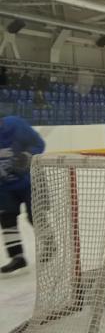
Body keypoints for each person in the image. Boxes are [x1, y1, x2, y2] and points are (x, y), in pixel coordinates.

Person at [0, 115, 46, 275]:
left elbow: (39, 144)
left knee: (35, 217)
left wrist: (27, 155)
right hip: (5, 186)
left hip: (30, 181)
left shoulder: (17, 125)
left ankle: (48, 242)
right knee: (6, 219)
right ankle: (17, 257)